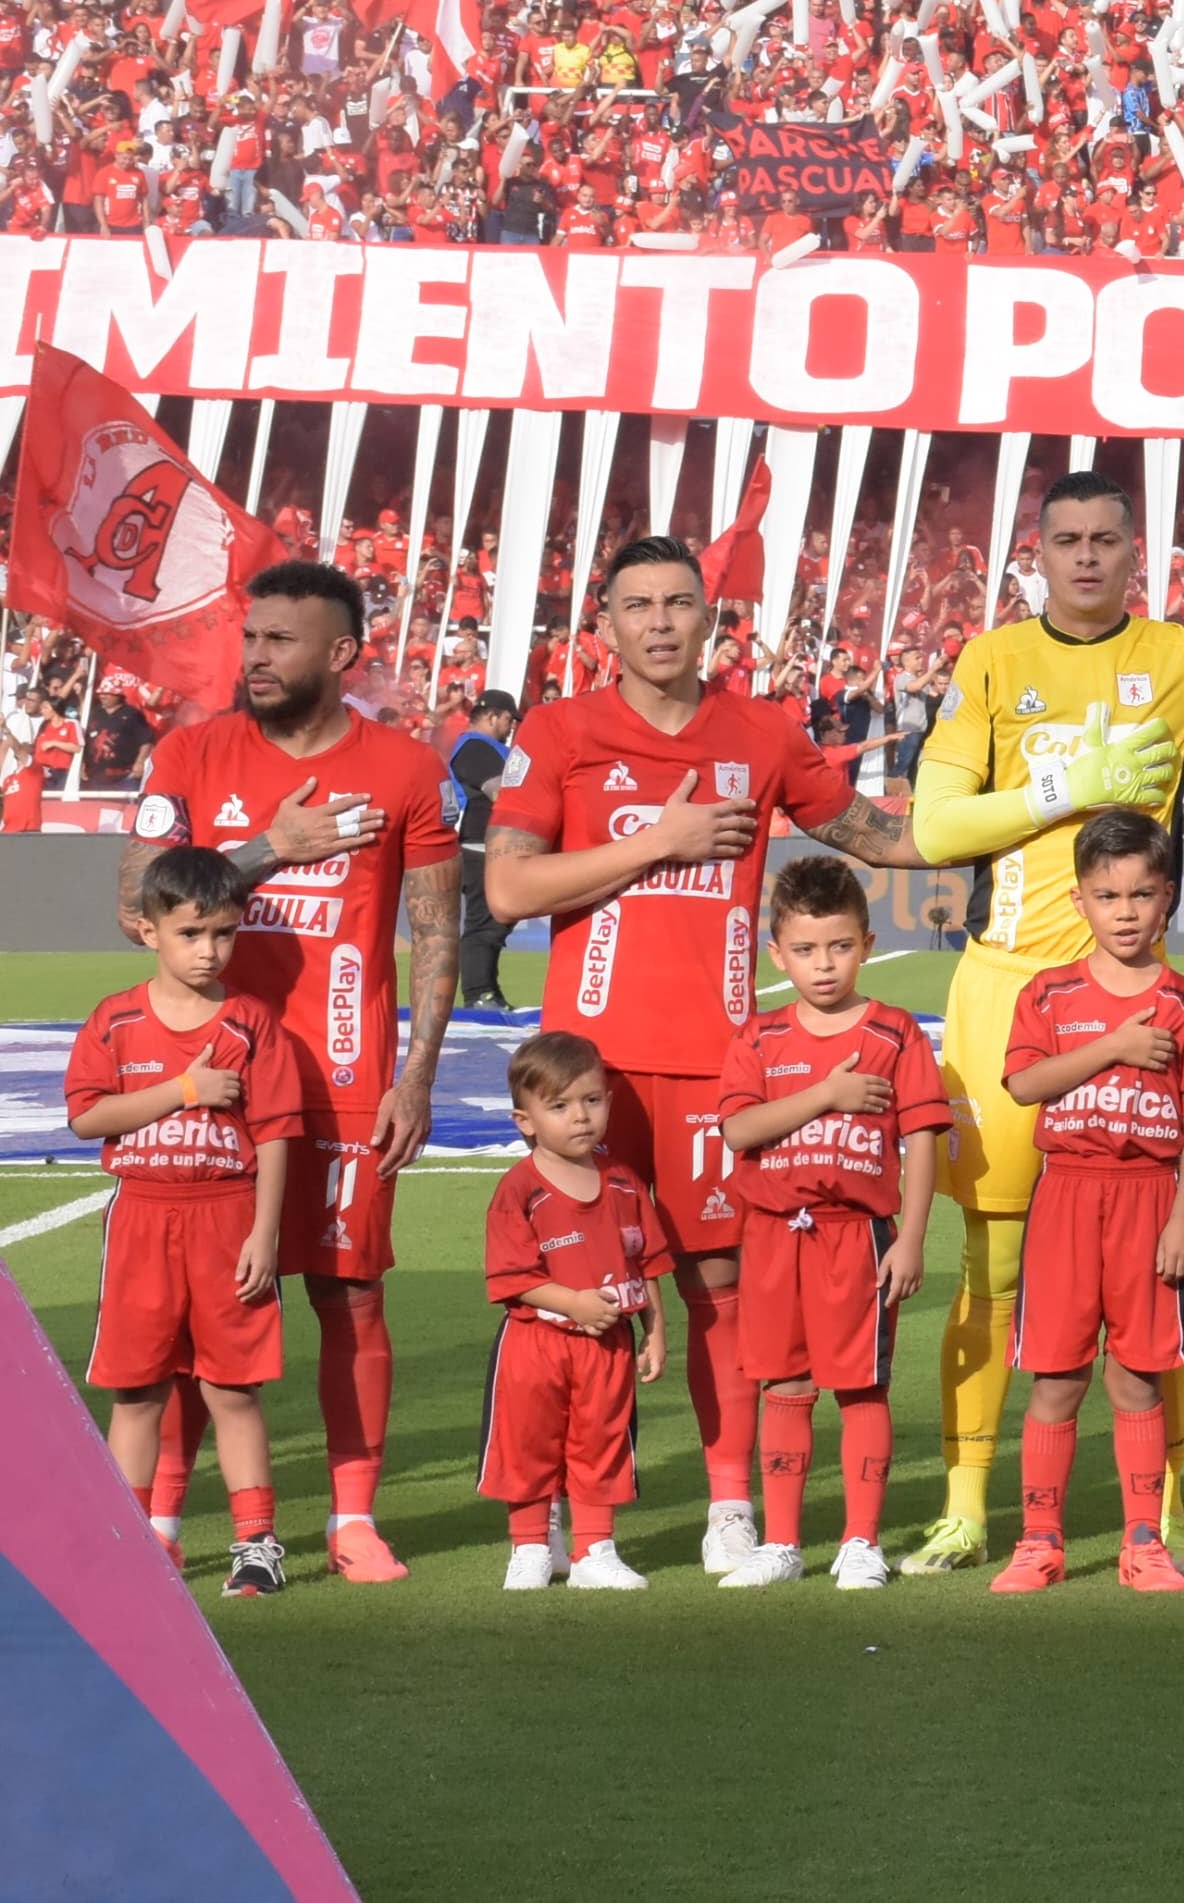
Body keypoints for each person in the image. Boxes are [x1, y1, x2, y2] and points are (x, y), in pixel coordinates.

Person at [898, 471, 1184, 1576]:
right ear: (1035, 555)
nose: (1086, 557)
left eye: (1105, 540)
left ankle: (1165, 1507)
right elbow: (938, 828)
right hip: (1006, 987)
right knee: (990, 1267)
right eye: (1066, 540)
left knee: (1154, 1271)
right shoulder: (991, 660)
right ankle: (967, 1505)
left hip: (1138, 995)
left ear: (1135, 553)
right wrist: (1062, 789)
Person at [485, 533, 920, 1580]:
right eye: (638, 605)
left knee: (720, 1285)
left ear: (709, 617)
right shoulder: (558, 730)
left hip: (717, 1067)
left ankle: (731, 1507)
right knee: (579, 1291)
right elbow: (507, 891)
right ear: (607, 625)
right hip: (591, 1073)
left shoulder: (760, 733)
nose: (662, 622)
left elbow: (875, 836)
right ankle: (560, 1513)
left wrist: (1036, 811)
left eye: (680, 602)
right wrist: (658, 841)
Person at [124, 561, 459, 1587]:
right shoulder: (189, 752)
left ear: (341, 654)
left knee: (351, 1293)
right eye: (251, 637)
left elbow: (437, 933)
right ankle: (164, 1522)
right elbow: (135, 901)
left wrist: (418, 1075)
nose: (256, 656)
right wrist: (268, 848)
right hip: (208, 1075)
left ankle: (353, 1520)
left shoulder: (404, 769)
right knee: (191, 1303)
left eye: (279, 641)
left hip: (349, 1077)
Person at [990, 809, 1184, 1596]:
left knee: (1137, 1376)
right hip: (1065, 1196)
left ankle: (1144, 1540)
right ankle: (1039, 1540)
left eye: (1140, 894)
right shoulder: (1049, 993)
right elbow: (1026, 1083)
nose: (1125, 911)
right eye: (1107, 895)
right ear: (1079, 901)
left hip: (1148, 1199)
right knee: (1055, 1377)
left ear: (1167, 898)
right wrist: (1113, 1046)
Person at [65, 846, 302, 1598]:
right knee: (137, 1391)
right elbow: (87, 1116)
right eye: (191, 933)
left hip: (226, 1218)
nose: (208, 950)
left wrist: (265, 1232)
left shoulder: (253, 1021)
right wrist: (184, 1088)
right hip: (142, 1219)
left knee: (234, 1390)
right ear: (148, 930)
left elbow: (274, 1133)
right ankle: (127, 1544)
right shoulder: (116, 1019)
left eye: (224, 934)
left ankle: (257, 1544)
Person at [708, 857, 946, 1592]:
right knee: (783, 1381)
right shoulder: (759, 1037)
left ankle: (860, 1540)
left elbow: (923, 1135)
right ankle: (781, 1541)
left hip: (858, 1234)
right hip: (775, 1234)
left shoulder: (895, 1032)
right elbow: (740, 1130)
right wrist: (827, 1093)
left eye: (839, 946)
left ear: (867, 943)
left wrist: (909, 1236)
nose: (823, 964)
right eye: (806, 950)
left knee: (862, 1386)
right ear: (776, 953)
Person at [479, 1030, 675, 1593]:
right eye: (559, 1106)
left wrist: (655, 1332)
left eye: (591, 1100)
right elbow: (514, 1278)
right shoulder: (518, 1190)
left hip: (607, 1347)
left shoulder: (624, 1183)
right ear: (526, 1120)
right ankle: (532, 1549)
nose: (580, 1117)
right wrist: (574, 1303)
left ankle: (595, 1551)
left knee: (602, 1443)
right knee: (529, 1445)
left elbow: (648, 1263)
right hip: (535, 1346)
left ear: (609, 1102)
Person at [443, 688, 518, 1009]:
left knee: (494, 920)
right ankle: (478, 993)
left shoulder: (479, 748)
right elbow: (501, 792)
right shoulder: (478, 748)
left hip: (484, 844)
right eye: (508, 720)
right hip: (480, 845)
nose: (511, 727)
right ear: (492, 716)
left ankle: (486, 990)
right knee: (485, 922)